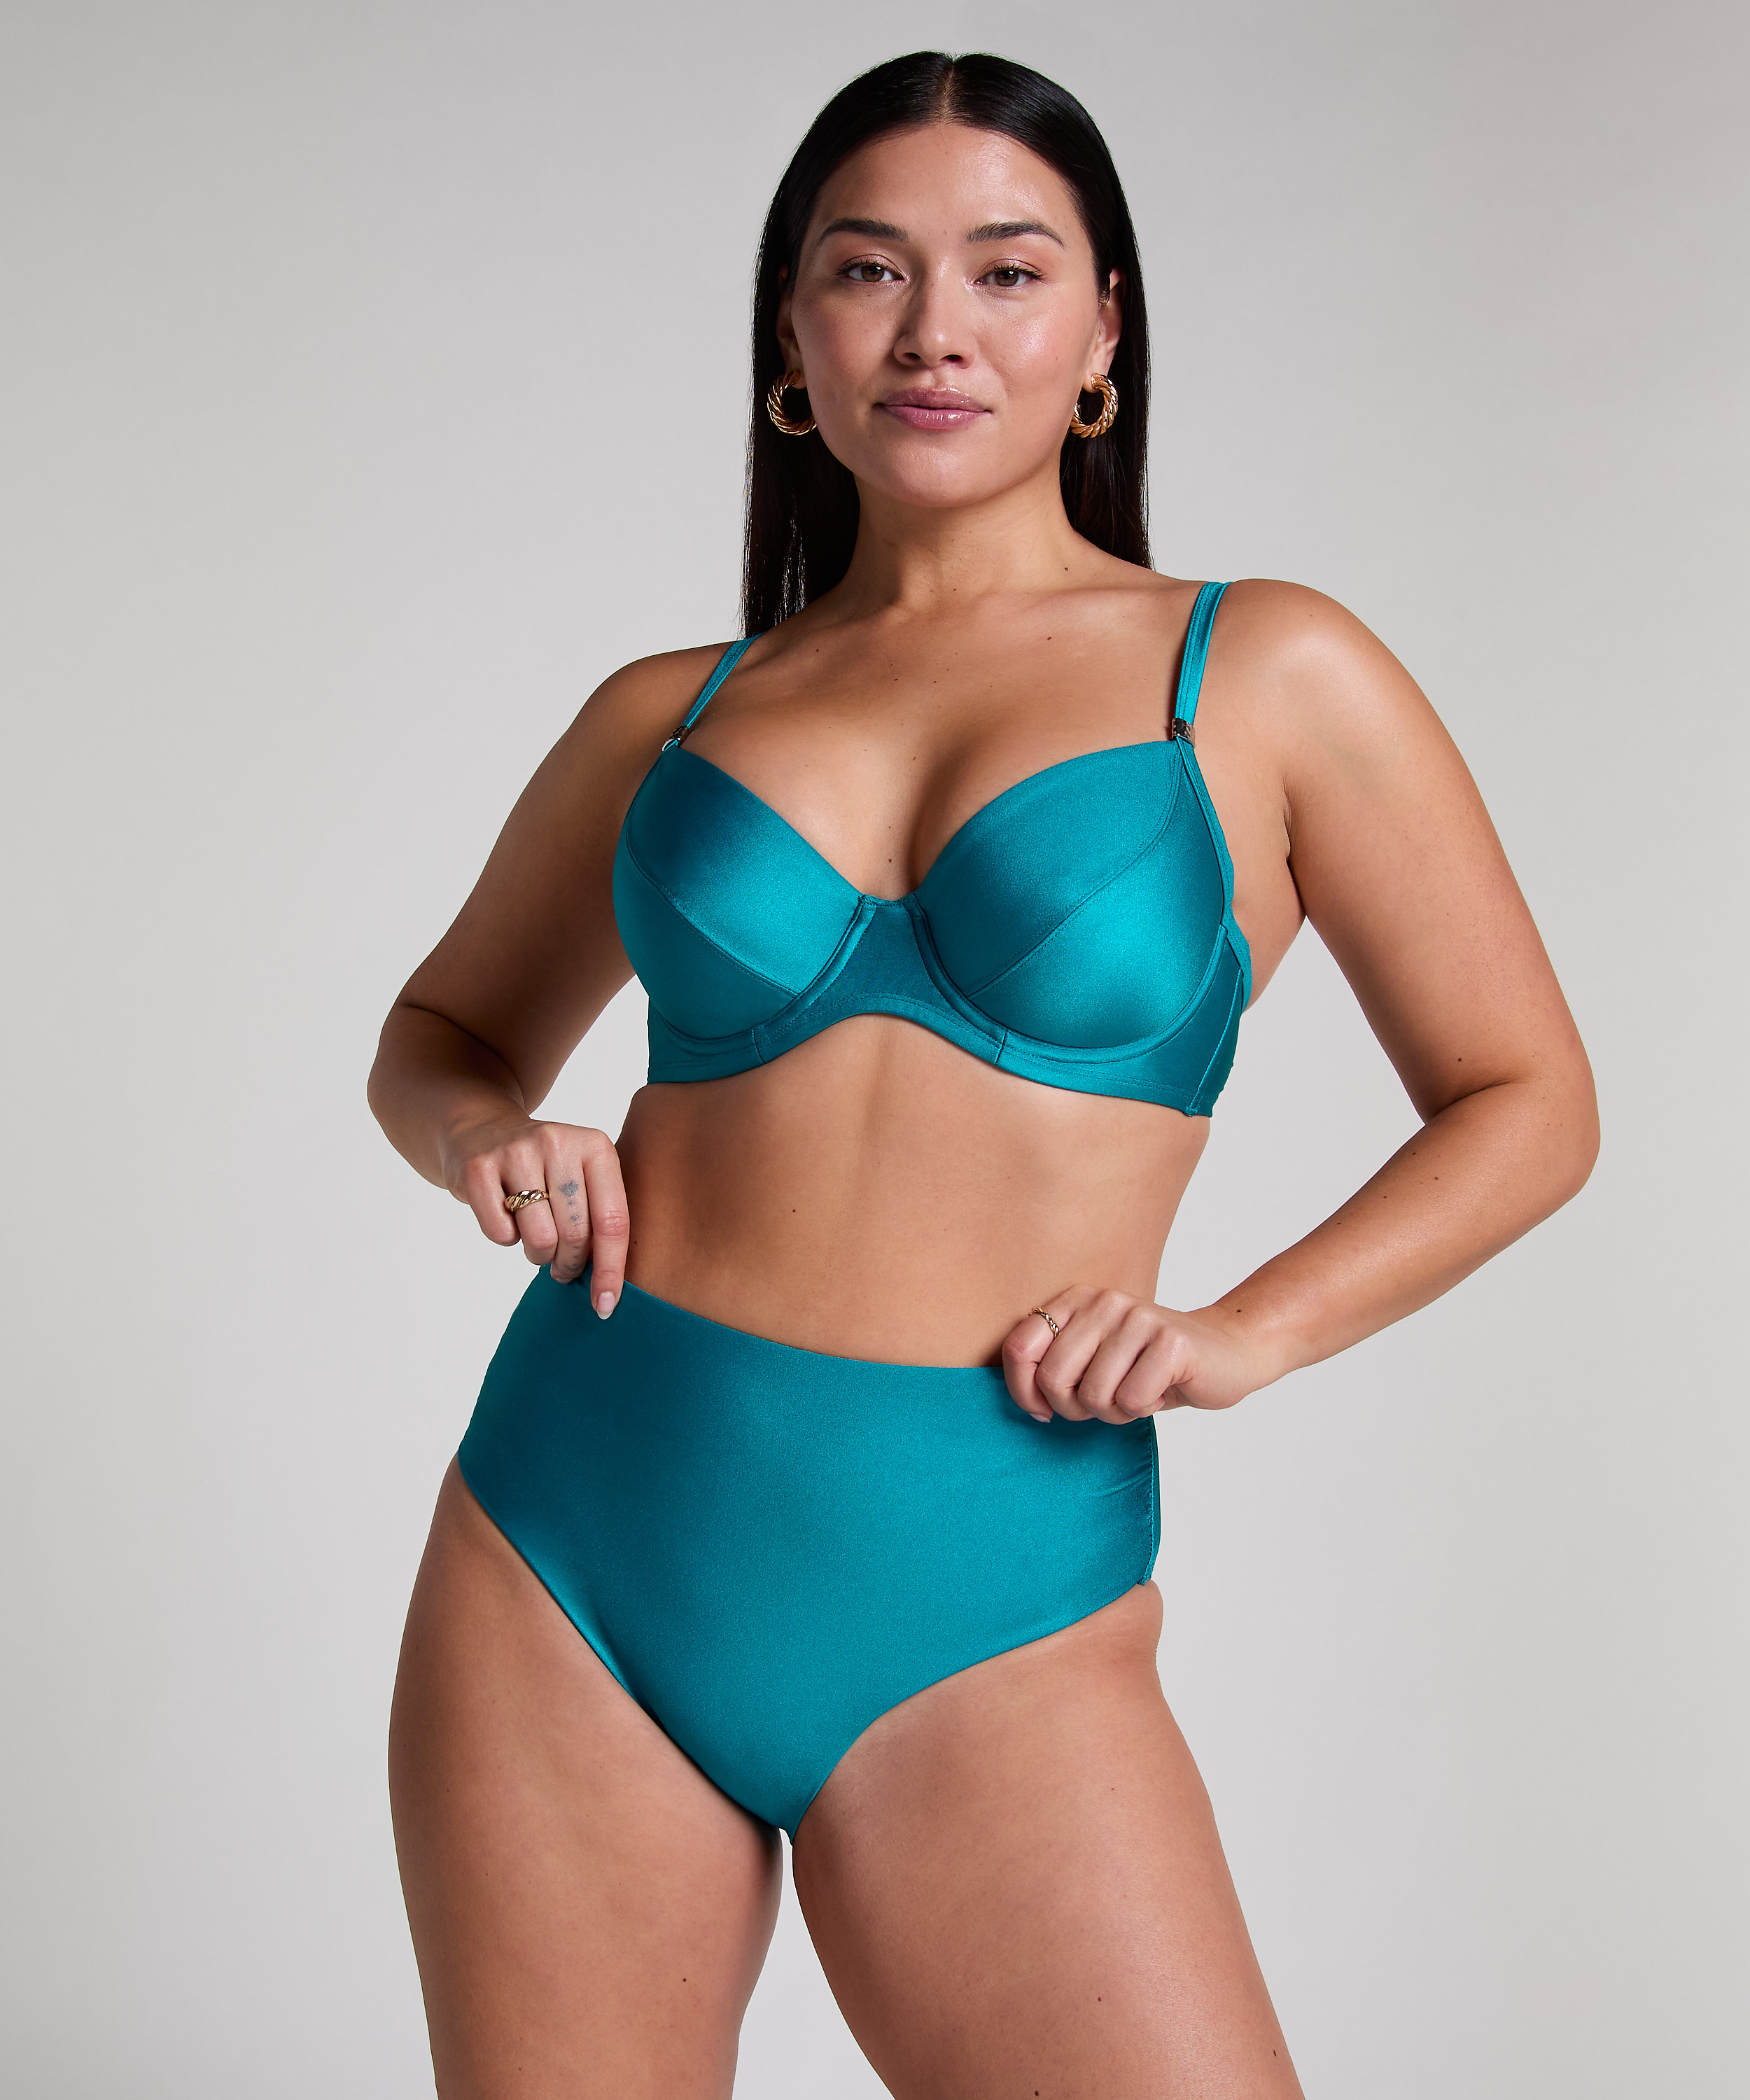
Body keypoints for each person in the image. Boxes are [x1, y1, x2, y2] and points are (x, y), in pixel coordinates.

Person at [367, 49, 1597, 2100]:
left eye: (1007, 272)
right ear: (792, 335)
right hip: (573, 1537)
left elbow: (1526, 1097)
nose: (935, 329)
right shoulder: (670, 714)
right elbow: (442, 1039)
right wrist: (490, 1134)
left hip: (991, 1582)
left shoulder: (1265, 671)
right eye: (867, 271)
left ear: (1104, 329)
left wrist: (1242, 1332)